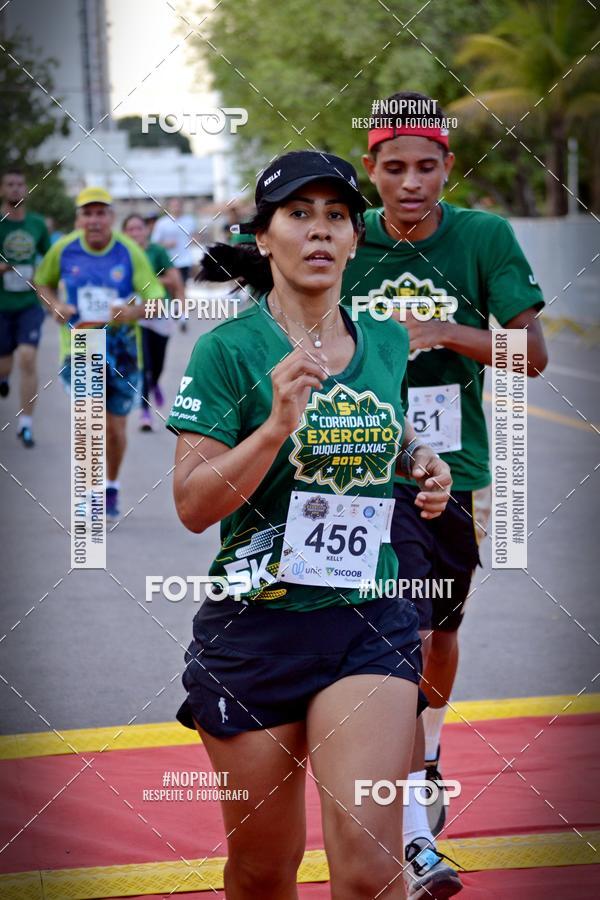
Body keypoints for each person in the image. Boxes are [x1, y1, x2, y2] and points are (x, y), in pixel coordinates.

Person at [168, 150, 453, 900]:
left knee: (366, 865)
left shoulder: (386, 341)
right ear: (264, 237)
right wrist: (273, 428)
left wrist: (422, 460)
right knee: (264, 873)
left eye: (336, 216)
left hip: (368, 619)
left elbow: (383, 430)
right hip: (255, 630)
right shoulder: (227, 352)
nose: (319, 231)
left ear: (357, 238)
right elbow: (193, 506)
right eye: (298, 215)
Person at [341, 91, 548, 890]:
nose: (411, 182)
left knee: (435, 629)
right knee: (386, 634)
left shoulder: (483, 236)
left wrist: (443, 333)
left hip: (451, 472)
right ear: (372, 171)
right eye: (394, 168)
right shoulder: (346, 236)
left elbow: (531, 354)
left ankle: (426, 752)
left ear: (448, 168)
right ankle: (411, 828)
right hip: (358, 469)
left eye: (426, 166)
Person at [35, 187, 165, 518]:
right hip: (82, 347)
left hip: (122, 351)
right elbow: (42, 283)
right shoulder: (63, 250)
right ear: (78, 219)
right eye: (87, 213)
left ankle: (111, 486)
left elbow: (157, 298)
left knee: (116, 429)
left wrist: (133, 312)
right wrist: (56, 305)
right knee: (92, 424)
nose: (94, 220)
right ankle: (90, 491)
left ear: (111, 218)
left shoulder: (129, 251)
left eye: (100, 213)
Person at [0, 168, 51, 447]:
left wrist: (44, 279)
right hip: (2, 305)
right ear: (2, 190)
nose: (16, 188)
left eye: (20, 184)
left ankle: (25, 425)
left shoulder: (37, 224)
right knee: (4, 364)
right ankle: (4, 378)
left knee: (28, 358)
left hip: (29, 303)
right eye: (10, 184)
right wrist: (6, 267)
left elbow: (48, 257)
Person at [122, 213, 185, 431]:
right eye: (130, 229)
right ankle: (145, 413)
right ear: (124, 233)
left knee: (157, 364)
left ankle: (155, 381)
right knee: (144, 365)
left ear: (146, 231)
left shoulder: (156, 252)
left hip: (158, 312)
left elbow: (174, 279)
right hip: (135, 316)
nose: (135, 233)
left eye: (138, 228)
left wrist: (149, 282)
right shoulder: (122, 253)